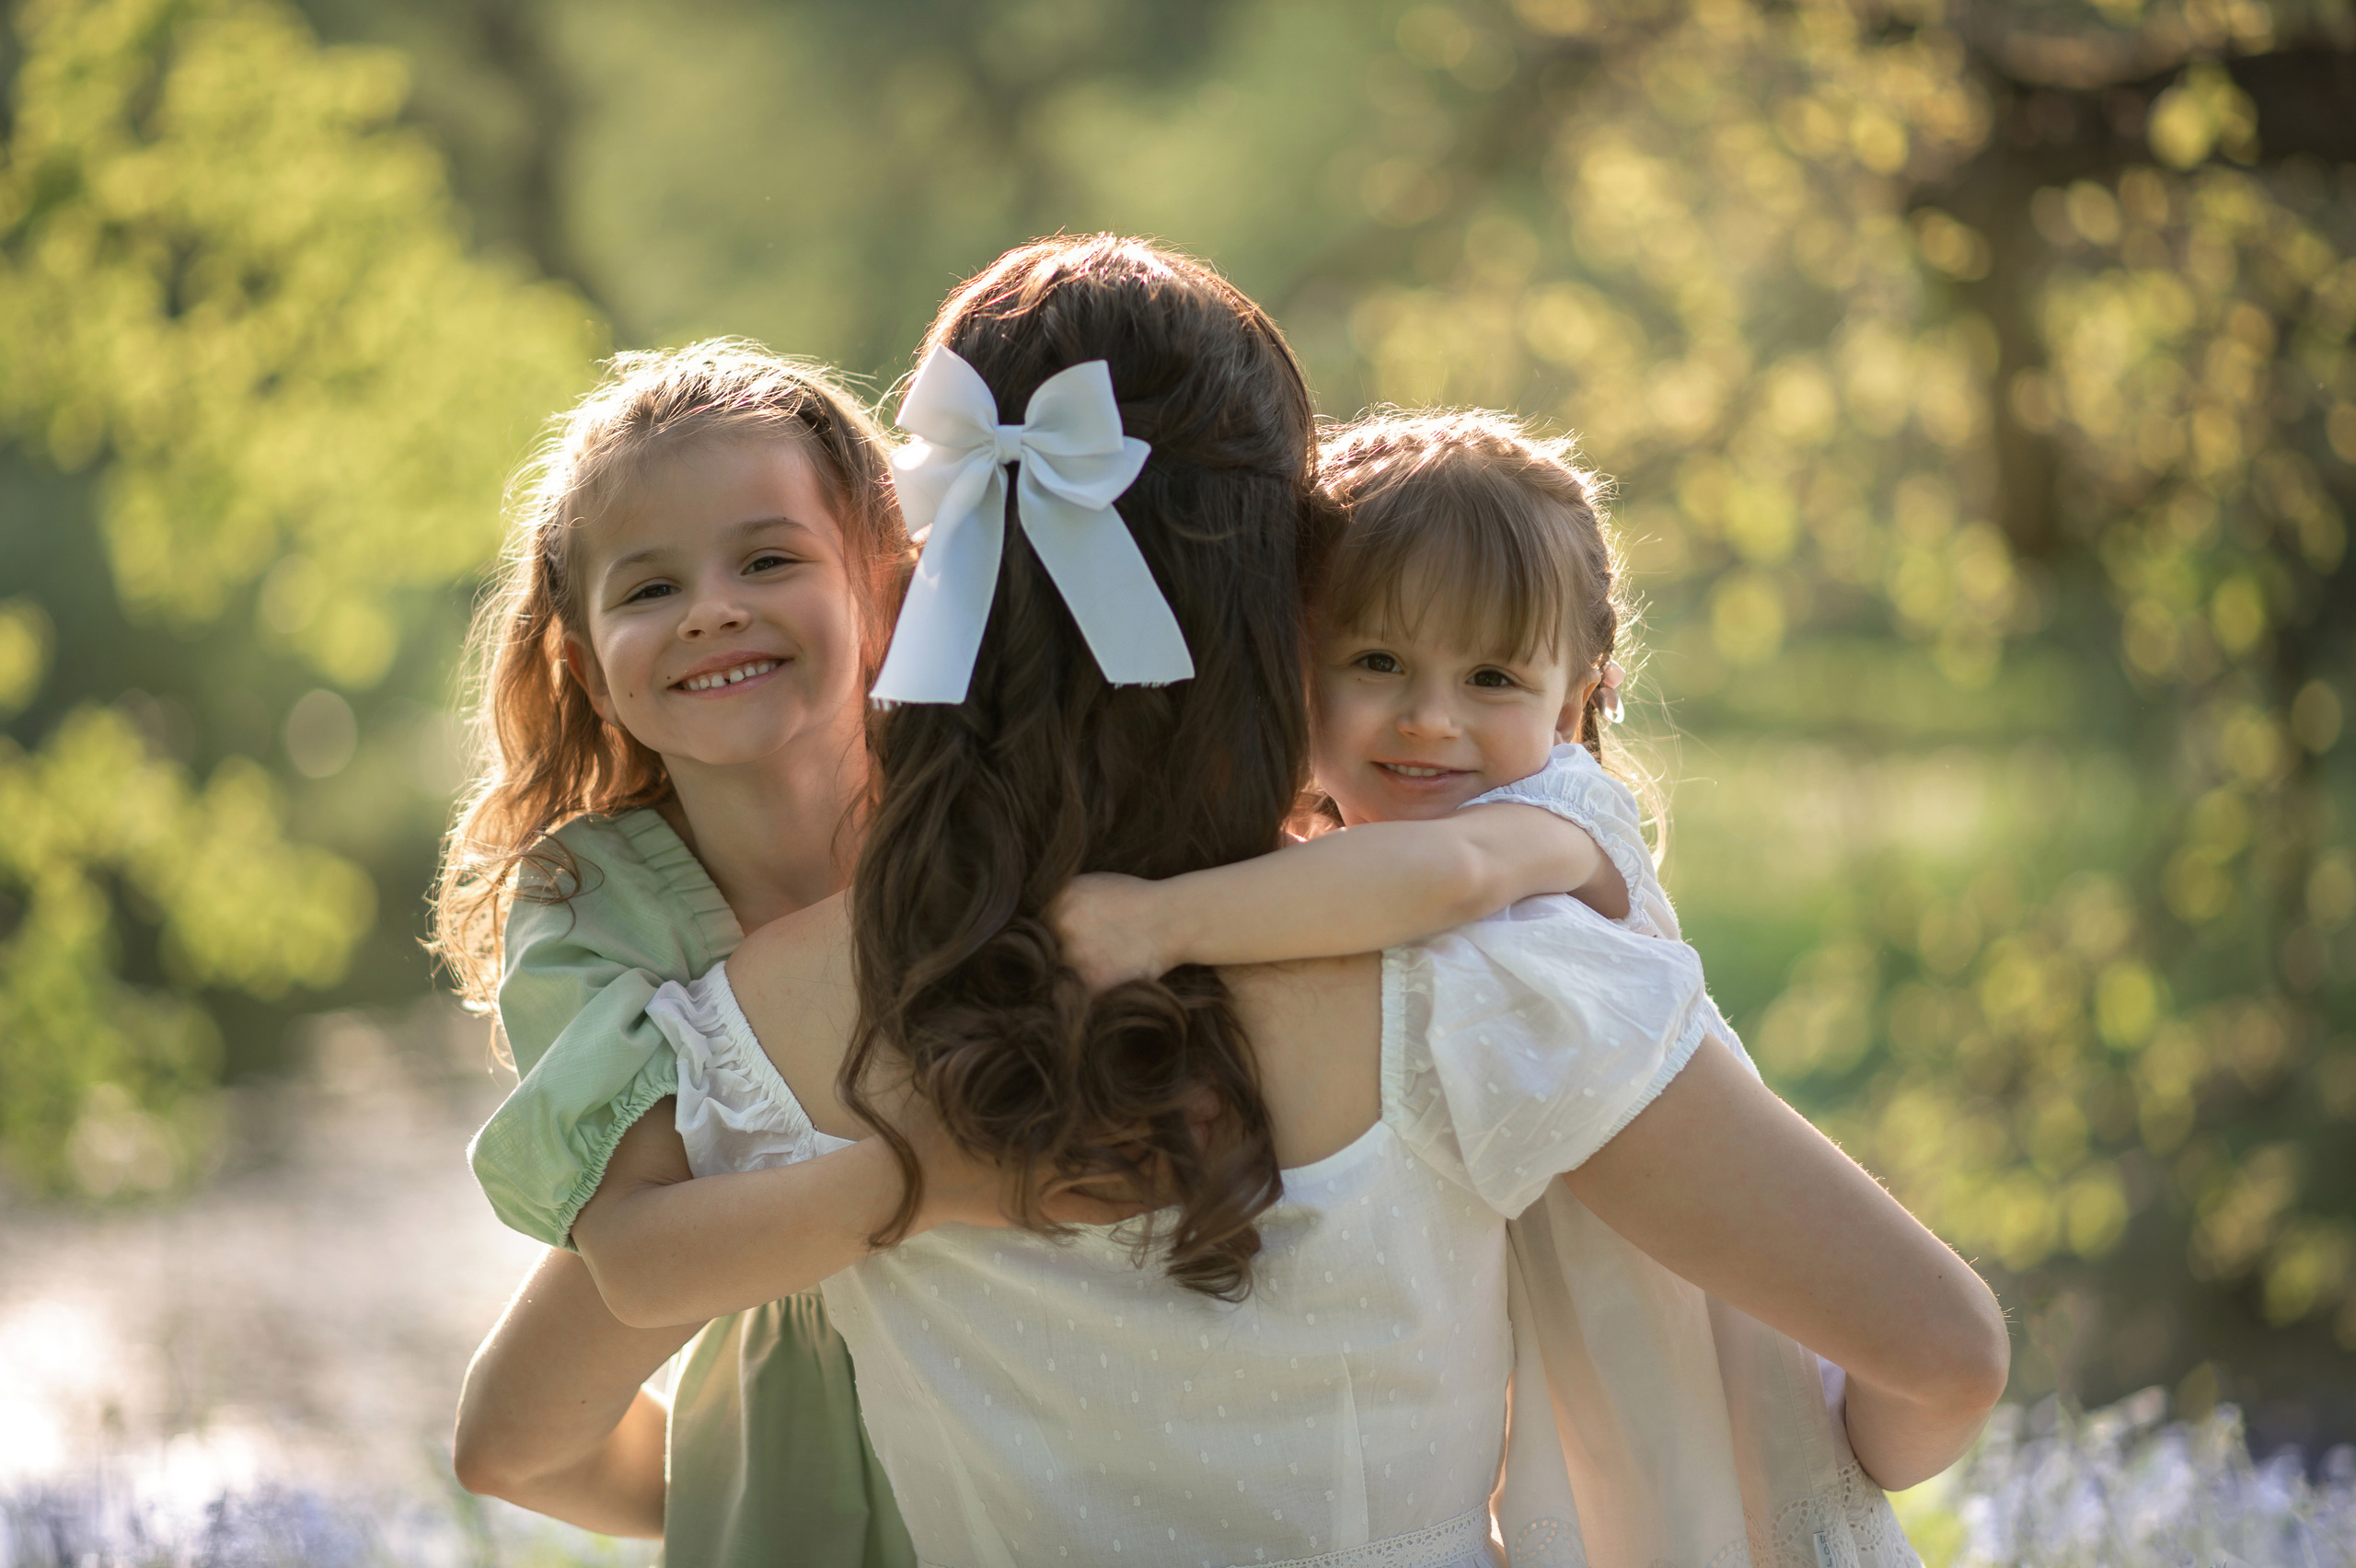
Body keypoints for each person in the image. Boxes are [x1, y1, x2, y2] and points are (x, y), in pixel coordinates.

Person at [549, 235, 2007, 1567]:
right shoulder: (1473, 977)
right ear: (1284, 590)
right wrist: (1814, 1465)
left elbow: (520, 1433)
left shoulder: (753, 1025)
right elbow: (1946, 1356)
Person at [1046, 408, 1930, 1565]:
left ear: (1573, 705)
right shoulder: (1336, 868)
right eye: (1376, 662)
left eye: (1492, 677)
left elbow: (1450, 872)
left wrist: (1158, 922)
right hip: (1589, 1460)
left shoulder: (1558, 822)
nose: (1429, 717)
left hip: (1719, 1455)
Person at [431, 340, 916, 1566]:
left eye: (768, 558)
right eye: (649, 589)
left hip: (1041, 1388)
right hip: (802, 1456)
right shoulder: (590, 904)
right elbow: (643, 1262)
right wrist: (943, 1180)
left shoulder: (989, 818)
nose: (710, 607)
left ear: (885, 585)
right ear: (589, 673)